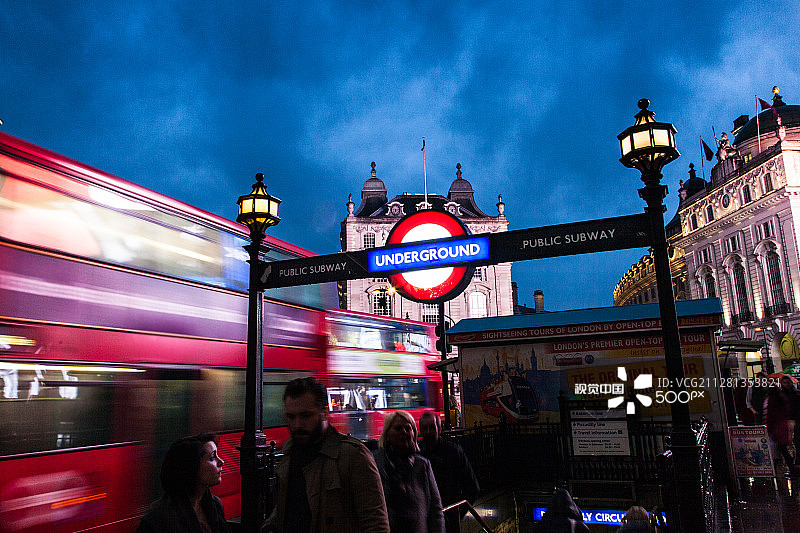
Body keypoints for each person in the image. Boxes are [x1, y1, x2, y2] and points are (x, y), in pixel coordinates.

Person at [267, 376, 389, 533]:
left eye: (305, 416)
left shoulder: (353, 455)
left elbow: (375, 524)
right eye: (291, 417)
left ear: (324, 412)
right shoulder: (289, 451)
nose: (297, 425)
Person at [137, 433, 231, 533]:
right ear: (191, 467)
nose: (221, 461)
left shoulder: (215, 504)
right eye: (212, 458)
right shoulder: (158, 516)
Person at [373, 410, 445, 533]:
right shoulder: (375, 463)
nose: (404, 432)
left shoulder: (422, 465)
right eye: (398, 428)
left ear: (414, 433)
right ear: (387, 434)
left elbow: (436, 510)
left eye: (408, 428)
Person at [419, 411, 480, 533]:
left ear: (439, 429)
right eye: (425, 428)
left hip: (445, 518)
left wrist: (455, 514)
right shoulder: (418, 453)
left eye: (431, 427)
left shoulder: (453, 452)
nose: (428, 432)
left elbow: (472, 487)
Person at [763, 375, 796, 472]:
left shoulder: (770, 400)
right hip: (783, 426)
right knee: (782, 448)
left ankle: (780, 467)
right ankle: (789, 465)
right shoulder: (783, 398)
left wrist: (768, 428)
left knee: (778, 449)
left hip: (775, 427)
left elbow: (769, 415)